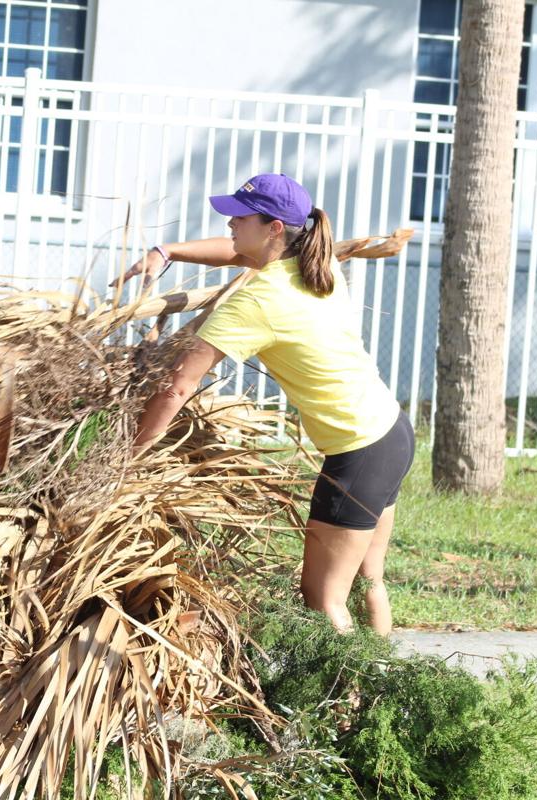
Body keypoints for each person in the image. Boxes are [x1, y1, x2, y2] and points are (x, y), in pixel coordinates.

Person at [124, 173, 415, 636]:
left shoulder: (257, 301)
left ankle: (344, 703)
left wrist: (129, 458)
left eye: (239, 217)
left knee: (323, 599)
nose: (230, 224)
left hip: (360, 453)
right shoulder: (315, 265)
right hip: (392, 431)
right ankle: (383, 689)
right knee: (368, 580)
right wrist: (169, 251)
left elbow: (177, 388)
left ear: (274, 227)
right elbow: (238, 252)